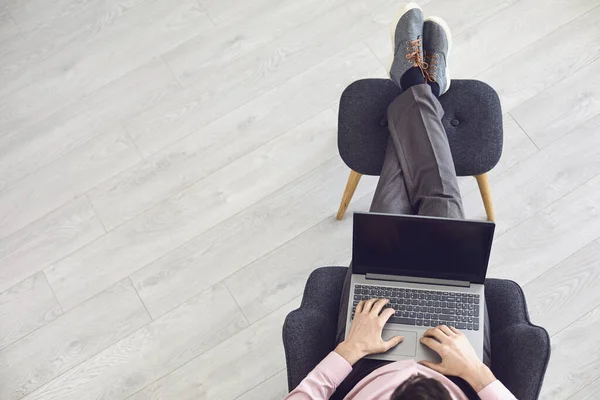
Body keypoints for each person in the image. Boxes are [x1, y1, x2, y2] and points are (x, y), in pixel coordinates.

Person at [284, 3, 517, 400]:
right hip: (457, 361)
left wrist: (350, 349)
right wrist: (476, 372)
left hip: (366, 358)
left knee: (389, 222)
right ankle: (418, 85)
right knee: (439, 198)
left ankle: (415, 83)